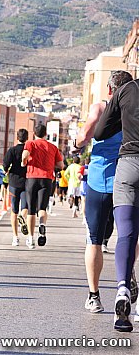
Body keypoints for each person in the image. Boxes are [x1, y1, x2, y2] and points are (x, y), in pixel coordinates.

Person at [74, 70, 133, 314]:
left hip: (99, 180)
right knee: (129, 234)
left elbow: (83, 137)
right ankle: (127, 278)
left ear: (110, 89)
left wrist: (79, 143)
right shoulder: (132, 111)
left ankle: (94, 295)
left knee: (94, 239)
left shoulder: (99, 109)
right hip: (127, 179)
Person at [94, 73, 139, 332]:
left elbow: (100, 132)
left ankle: (122, 288)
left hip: (129, 164)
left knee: (126, 234)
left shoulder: (125, 91)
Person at [21, 123, 63, 249]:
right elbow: (61, 165)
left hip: (32, 178)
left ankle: (31, 239)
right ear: (46, 134)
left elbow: (25, 155)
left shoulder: (31, 143)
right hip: (47, 179)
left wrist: (24, 163)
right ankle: (42, 225)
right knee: (42, 208)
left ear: (34, 133)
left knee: (31, 210)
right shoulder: (53, 147)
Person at [3, 129, 29, 246]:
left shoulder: (12, 151)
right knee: (25, 207)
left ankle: (15, 237)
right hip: (27, 182)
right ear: (27, 138)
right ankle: (22, 217)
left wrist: (6, 171)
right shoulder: (29, 151)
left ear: (17, 138)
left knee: (13, 210)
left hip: (13, 182)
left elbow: (5, 166)